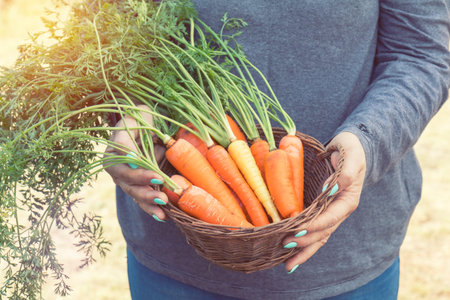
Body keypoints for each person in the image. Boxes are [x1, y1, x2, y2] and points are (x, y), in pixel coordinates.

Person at [105, 1, 450, 299]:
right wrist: (128, 111)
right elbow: (109, 39)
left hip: (345, 256)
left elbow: (420, 53)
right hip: (175, 250)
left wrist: (368, 140)